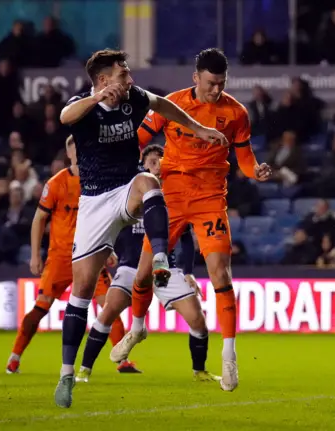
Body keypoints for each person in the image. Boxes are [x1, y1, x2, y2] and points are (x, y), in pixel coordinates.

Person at [54, 49, 227, 408]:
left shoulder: (133, 97)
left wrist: (197, 127)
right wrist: (97, 98)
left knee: (149, 181)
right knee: (82, 292)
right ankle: (67, 374)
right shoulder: (82, 104)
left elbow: (163, 106)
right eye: (123, 74)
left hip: (127, 189)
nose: (130, 80)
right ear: (103, 80)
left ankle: (160, 258)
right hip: (94, 203)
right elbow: (64, 116)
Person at [110, 48, 272, 392]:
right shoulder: (172, 104)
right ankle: (137, 329)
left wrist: (255, 171)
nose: (216, 90)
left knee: (219, 273)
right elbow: (139, 137)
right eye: (211, 83)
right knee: (141, 275)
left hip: (210, 198)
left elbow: (244, 158)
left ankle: (229, 357)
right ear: (196, 77)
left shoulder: (236, 113)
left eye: (221, 84)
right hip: (169, 197)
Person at [75, 144, 220, 383]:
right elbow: (110, 224)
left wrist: (188, 272)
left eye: (160, 160)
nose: (156, 165)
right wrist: (107, 249)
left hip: (166, 269)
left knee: (198, 320)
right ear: (142, 165)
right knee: (108, 312)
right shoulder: (129, 193)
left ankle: (199, 370)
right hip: (131, 267)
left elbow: (185, 236)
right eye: (151, 161)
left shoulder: (174, 198)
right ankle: (85, 370)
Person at [6, 136, 137, 374]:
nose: (81, 148)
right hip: (61, 258)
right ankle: (15, 357)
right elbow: (39, 219)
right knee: (41, 307)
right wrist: (35, 255)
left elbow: (109, 218)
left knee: (108, 305)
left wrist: (110, 248)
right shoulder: (56, 183)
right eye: (75, 145)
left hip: (92, 255)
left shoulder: (99, 180)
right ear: (69, 152)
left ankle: (123, 361)